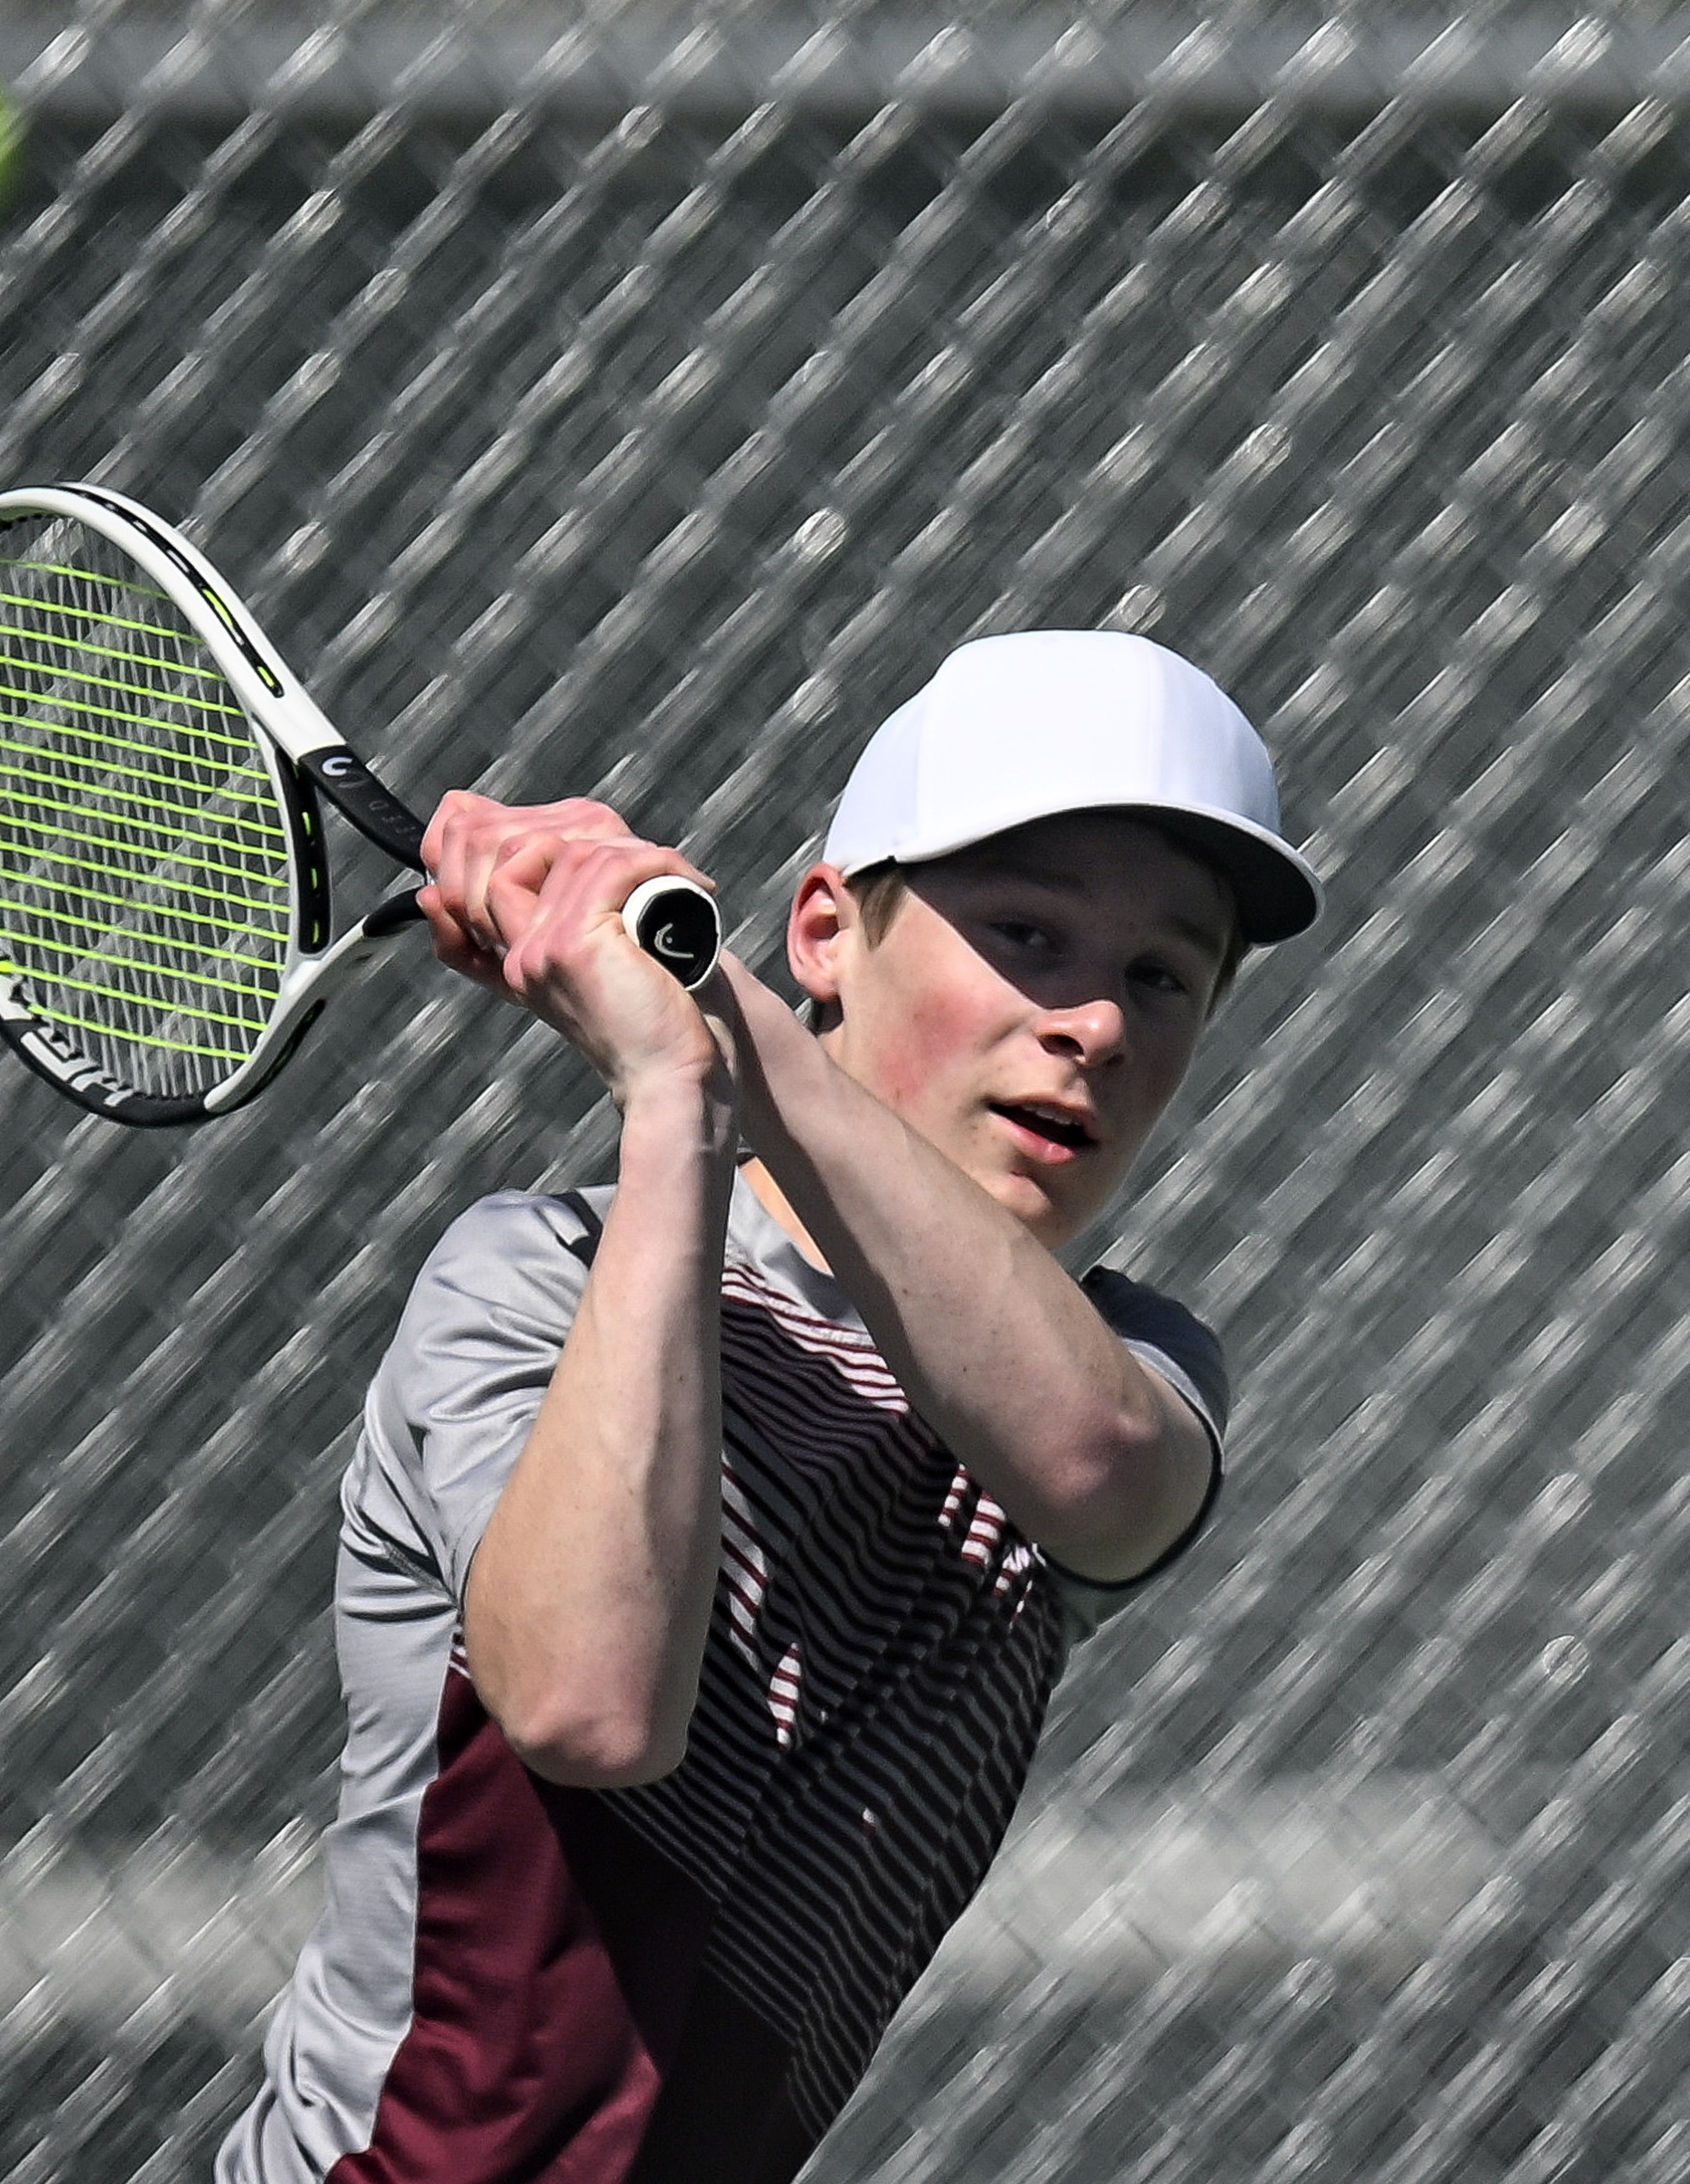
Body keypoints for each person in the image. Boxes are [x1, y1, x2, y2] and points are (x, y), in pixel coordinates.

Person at [216, 631, 1325, 2184]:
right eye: (1026, 933)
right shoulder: (535, 1282)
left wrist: (710, 1008)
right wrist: (677, 1096)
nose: (1097, 1024)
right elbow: (593, 1712)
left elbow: (1096, 1469)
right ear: (823, 929)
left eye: (1163, 976)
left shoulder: (1127, 1371)